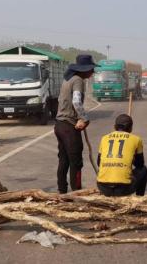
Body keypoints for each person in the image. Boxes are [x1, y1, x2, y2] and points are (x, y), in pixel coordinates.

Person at [55, 54, 97, 193]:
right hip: (69, 126)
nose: (92, 72)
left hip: (60, 125)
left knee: (64, 160)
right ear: (84, 70)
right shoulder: (78, 80)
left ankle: (62, 192)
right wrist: (84, 118)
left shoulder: (69, 78)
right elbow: (76, 101)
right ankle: (76, 193)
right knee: (76, 162)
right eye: (91, 69)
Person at [96, 114, 147, 197]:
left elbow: (99, 163)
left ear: (114, 126)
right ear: (131, 128)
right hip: (124, 188)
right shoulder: (136, 139)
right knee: (143, 170)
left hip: (103, 186)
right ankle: (139, 197)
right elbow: (140, 165)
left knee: (102, 169)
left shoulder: (104, 138)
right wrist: (131, 159)